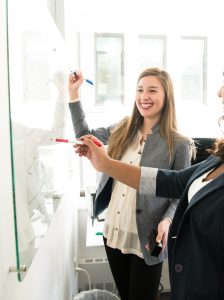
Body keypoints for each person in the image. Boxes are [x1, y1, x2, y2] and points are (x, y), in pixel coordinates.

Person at [74, 34, 224, 300]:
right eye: (139, 90)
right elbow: (173, 182)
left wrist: (166, 219)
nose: (219, 91)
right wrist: (107, 164)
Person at [68, 67, 194, 300]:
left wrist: (167, 220)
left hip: (147, 237)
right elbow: (84, 134)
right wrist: (73, 94)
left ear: (167, 96)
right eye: (140, 90)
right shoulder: (123, 128)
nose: (144, 97)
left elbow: (180, 194)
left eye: (152, 90)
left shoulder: (179, 143)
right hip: (114, 231)